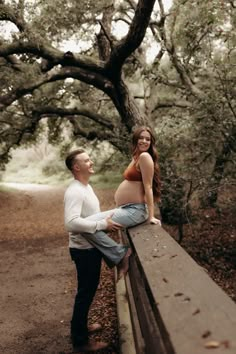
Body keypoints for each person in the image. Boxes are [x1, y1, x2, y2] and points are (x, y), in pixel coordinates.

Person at [64, 126, 161, 351]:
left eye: (148, 139)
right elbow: (71, 223)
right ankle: (80, 340)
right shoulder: (76, 191)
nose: (91, 162)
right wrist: (103, 224)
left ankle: (82, 326)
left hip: (91, 244)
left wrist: (148, 215)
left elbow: (146, 184)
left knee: (88, 289)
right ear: (76, 167)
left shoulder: (85, 187)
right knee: (85, 292)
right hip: (83, 248)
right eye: (87, 161)